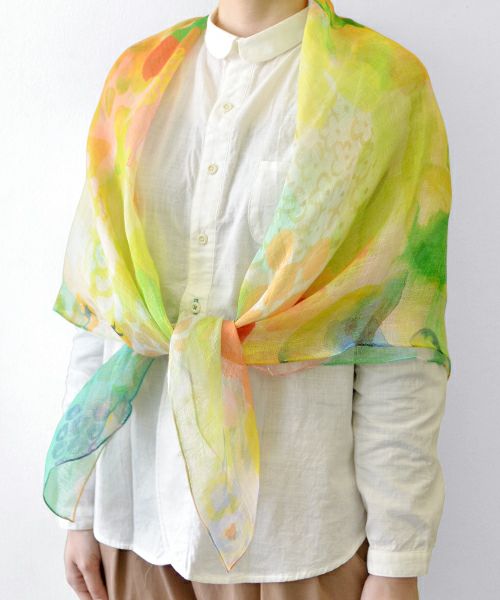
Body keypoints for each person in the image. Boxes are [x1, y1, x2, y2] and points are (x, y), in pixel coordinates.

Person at [56, 1, 450, 598]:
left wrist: (398, 557)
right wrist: (80, 509)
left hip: (295, 540)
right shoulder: (136, 77)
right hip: (136, 522)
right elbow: (102, 315)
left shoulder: (383, 86)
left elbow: (398, 342)